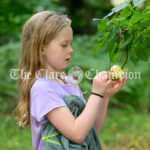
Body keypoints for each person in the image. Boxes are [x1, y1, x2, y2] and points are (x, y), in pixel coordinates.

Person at [14, 11, 126, 150]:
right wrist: (95, 94)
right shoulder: (42, 88)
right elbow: (76, 134)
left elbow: (90, 131)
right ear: (42, 48)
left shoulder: (69, 82)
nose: (71, 50)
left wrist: (104, 95)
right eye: (64, 45)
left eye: (70, 44)